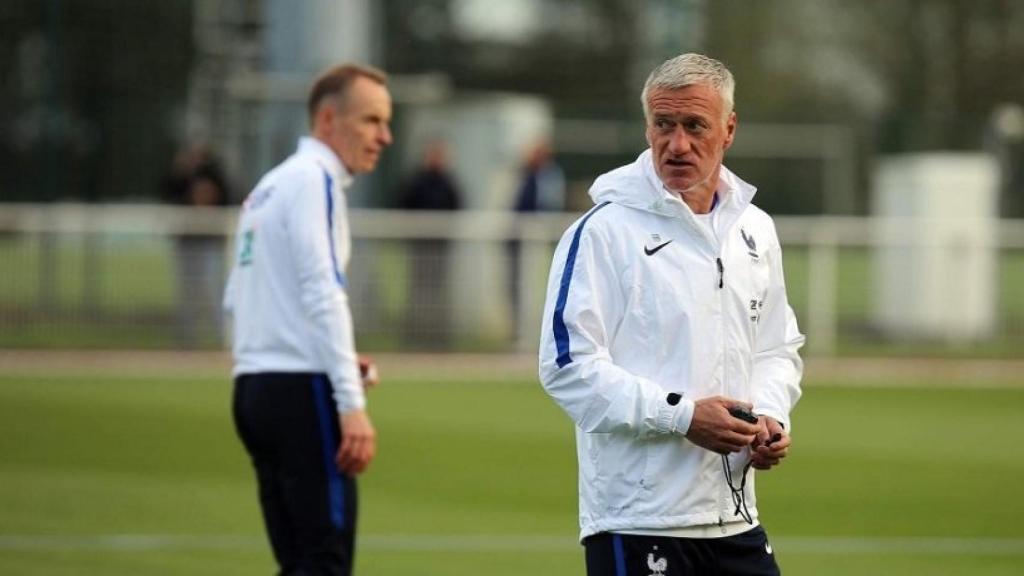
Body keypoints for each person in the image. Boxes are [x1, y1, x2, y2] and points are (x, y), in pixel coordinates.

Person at [538, 53, 805, 576]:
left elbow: (776, 347)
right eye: (664, 125)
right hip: (639, 521)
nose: (676, 144)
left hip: (735, 518)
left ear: (728, 130)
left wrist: (770, 417)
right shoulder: (602, 231)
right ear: (647, 126)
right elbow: (566, 367)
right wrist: (682, 415)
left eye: (694, 126)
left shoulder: (755, 229)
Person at [223, 63, 392, 576]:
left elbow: (237, 298)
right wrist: (350, 402)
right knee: (324, 560)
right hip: (301, 394)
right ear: (327, 119)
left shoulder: (269, 186)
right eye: (370, 120)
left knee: (298, 560)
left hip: (253, 390)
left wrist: (333, 355)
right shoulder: (315, 180)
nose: (384, 136)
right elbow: (324, 293)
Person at [162, 143, 231, 348]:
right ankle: (187, 339)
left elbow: (226, 198)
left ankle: (223, 336)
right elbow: (167, 195)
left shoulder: (215, 173)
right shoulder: (180, 177)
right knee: (186, 291)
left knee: (213, 289)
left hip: (209, 240)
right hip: (187, 240)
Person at [396, 139, 461, 347]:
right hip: (419, 247)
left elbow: (456, 207)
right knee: (418, 294)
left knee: (439, 294)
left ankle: (439, 338)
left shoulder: (449, 183)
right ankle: (414, 337)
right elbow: (403, 205)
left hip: (440, 248)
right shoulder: (416, 181)